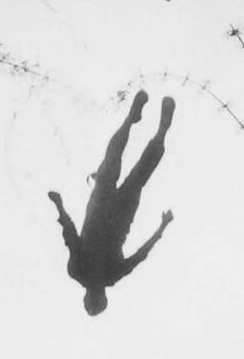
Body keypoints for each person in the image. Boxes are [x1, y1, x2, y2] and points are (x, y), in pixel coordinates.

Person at [48, 90, 175, 315]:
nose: (98, 294)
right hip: (115, 212)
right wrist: (161, 228)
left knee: (117, 161)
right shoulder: (95, 274)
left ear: (90, 297)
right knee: (131, 168)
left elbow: (71, 236)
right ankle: (155, 129)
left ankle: (139, 122)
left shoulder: (83, 271)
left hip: (104, 208)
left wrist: (59, 206)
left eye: (95, 298)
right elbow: (139, 255)